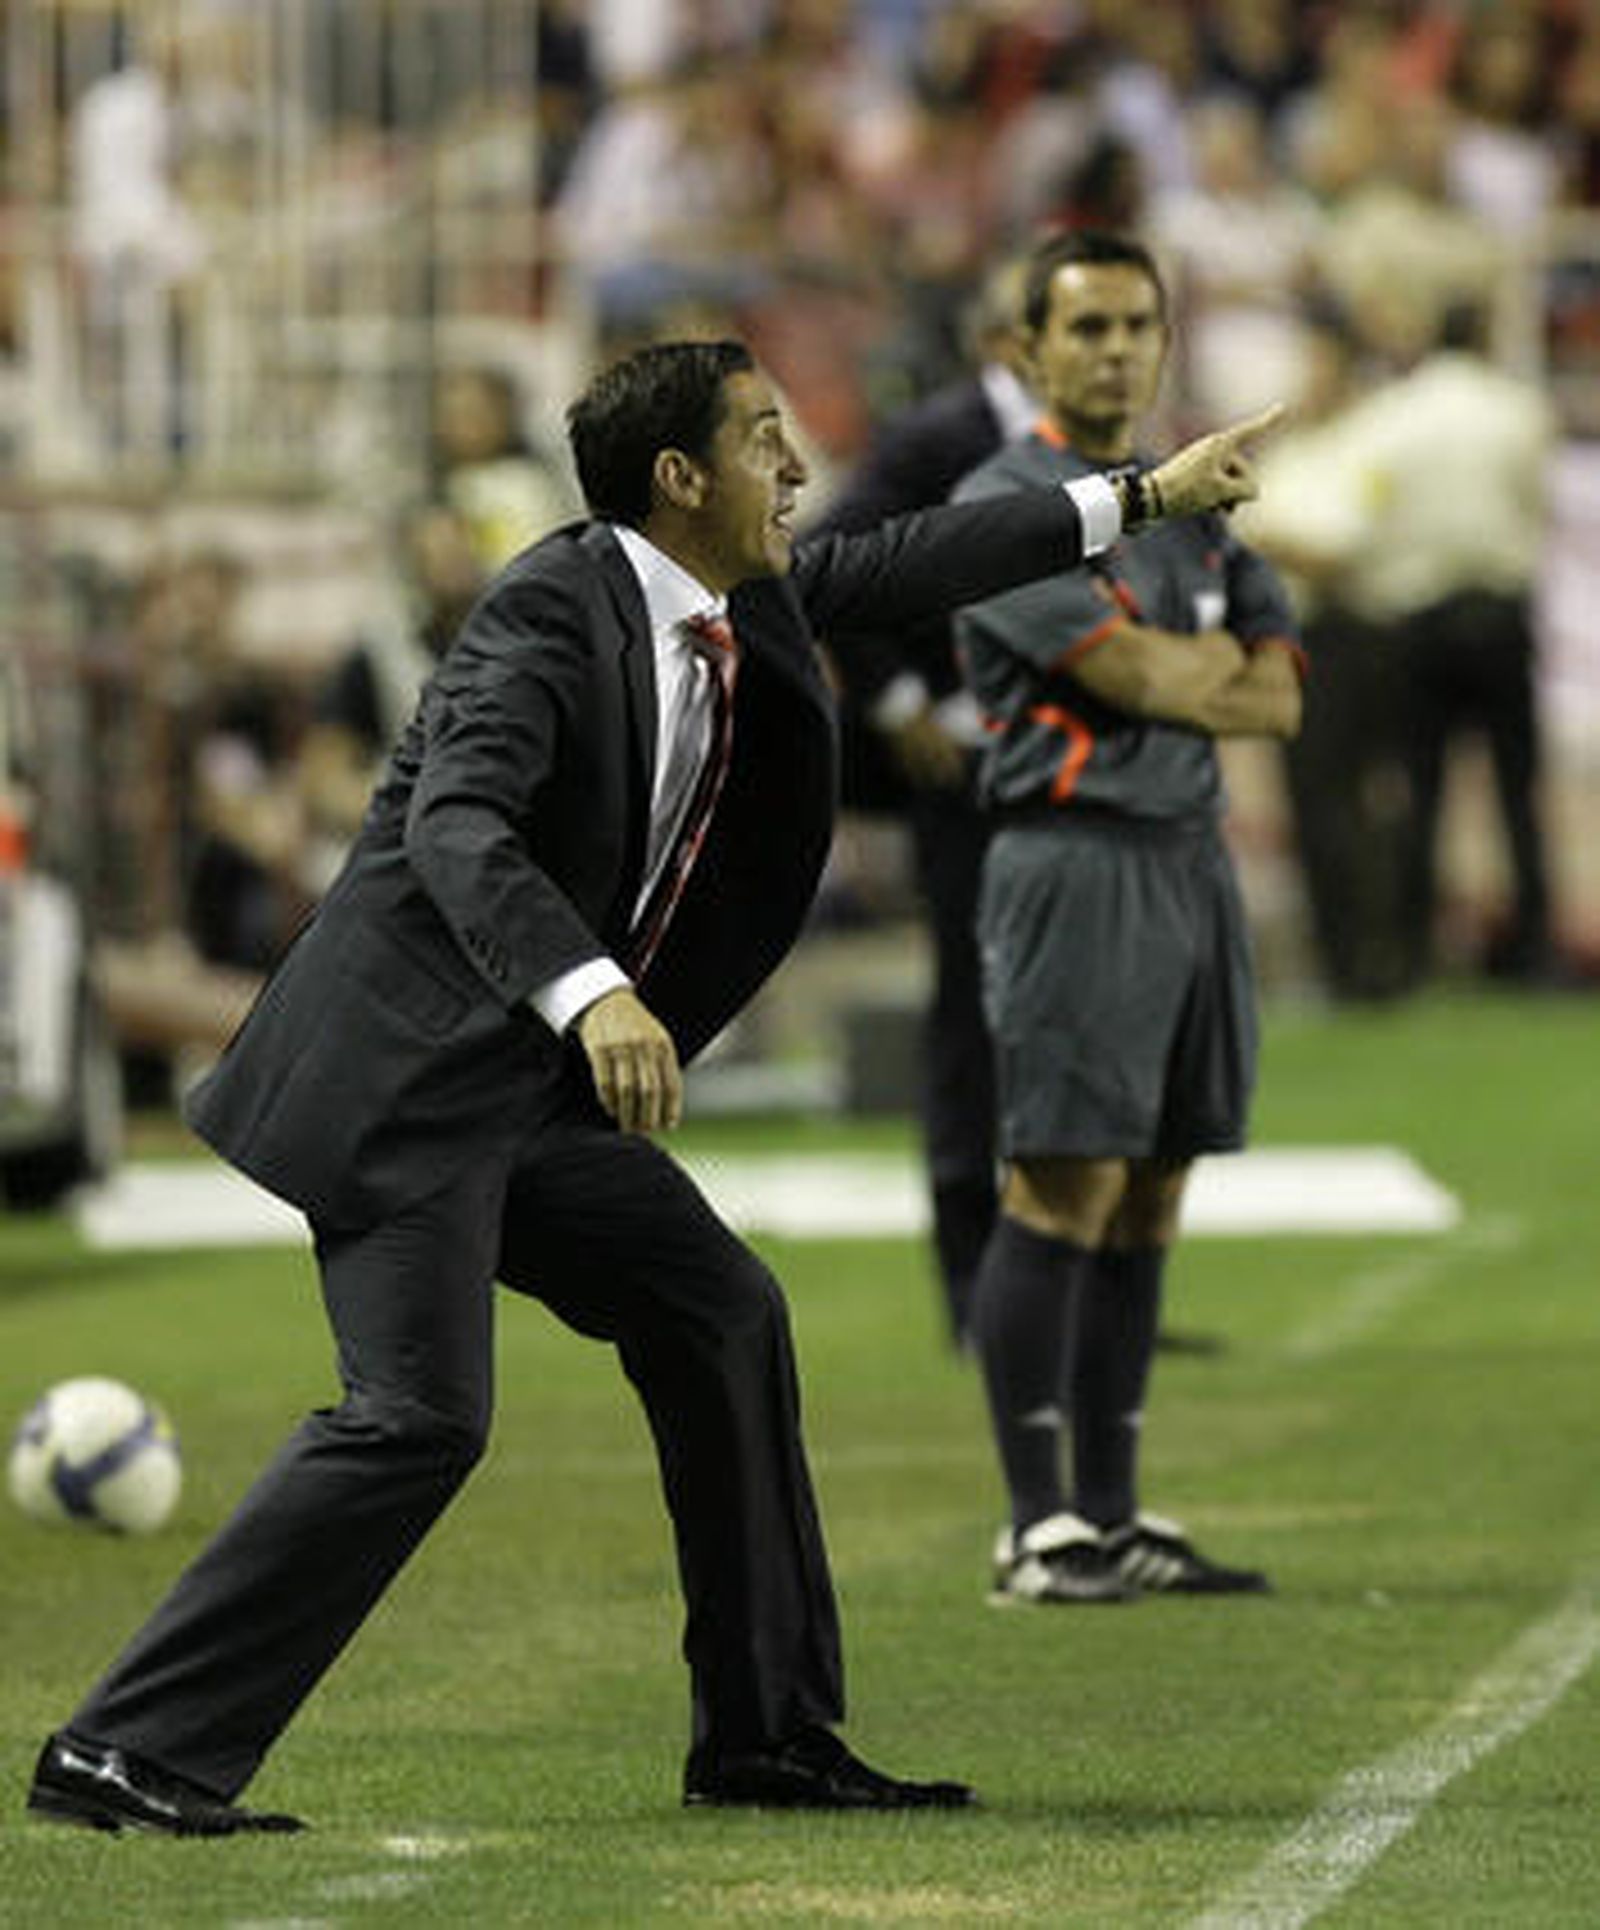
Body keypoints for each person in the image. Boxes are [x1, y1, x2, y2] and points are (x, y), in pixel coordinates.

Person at [27, 337, 1276, 1835]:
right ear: (679, 478)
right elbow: (459, 829)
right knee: (418, 1416)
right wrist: (594, 988)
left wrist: (1145, 494)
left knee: (720, 1310)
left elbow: (922, 556)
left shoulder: (745, 595)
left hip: (523, 1095)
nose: (799, 467)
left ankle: (767, 1734)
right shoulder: (547, 613)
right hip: (412, 1084)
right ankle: (123, 1744)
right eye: (764, 438)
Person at [952, 231, 1304, 1606]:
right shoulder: (1007, 502)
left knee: (1155, 1186)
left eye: (1135, 325)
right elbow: (1155, 674)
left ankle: (1113, 1510)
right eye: (1085, 326)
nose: (1114, 349)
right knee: (1065, 1177)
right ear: (1028, 349)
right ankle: (1036, 1526)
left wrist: (1198, 673)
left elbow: (1281, 694)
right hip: (1073, 858)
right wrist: (1200, 670)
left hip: (1188, 860)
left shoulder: (1203, 503)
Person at [808, 257, 1037, 1345]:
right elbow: (831, 557)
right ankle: (973, 1281)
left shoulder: (1102, 438)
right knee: (973, 1019)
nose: (1114, 351)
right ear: (1008, 337)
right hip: (971, 763)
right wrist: (901, 695)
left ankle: (1076, 1278)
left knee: (1070, 1015)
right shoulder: (939, 437)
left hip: (1065, 760)